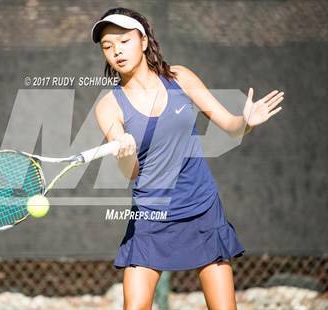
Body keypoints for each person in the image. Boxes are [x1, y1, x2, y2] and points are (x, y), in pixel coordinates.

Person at [92, 7, 284, 310]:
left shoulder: (179, 78)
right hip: (151, 217)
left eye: (124, 41)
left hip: (201, 207)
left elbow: (230, 127)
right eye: (107, 46)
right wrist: (124, 152)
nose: (116, 51)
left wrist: (245, 121)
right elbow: (130, 173)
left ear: (143, 41)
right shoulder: (108, 107)